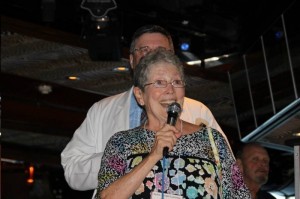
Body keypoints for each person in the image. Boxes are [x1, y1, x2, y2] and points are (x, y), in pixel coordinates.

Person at [61, 25, 231, 194]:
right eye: (144, 50)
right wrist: (125, 157)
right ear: (132, 60)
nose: (152, 55)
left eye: (161, 50)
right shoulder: (103, 112)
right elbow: (72, 170)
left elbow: (229, 175)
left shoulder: (199, 111)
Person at [96, 48, 250, 198]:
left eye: (176, 82)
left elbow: (241, 195)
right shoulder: (121, 143)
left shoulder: (212, 141)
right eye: (159, 82)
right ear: (140, 95)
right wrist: (153, 156)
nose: (170, 90)